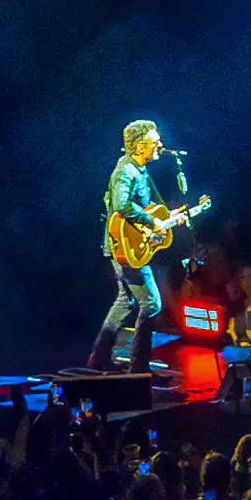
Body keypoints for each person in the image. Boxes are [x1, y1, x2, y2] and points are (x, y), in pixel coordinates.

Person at [87, 119, 169, 374]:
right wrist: (150, 221)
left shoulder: (140, 170)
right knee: (152, 303)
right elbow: (122, 205)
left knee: (126, 301)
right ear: (140, 146)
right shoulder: (125, 171)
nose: (160, 145)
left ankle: (98, 360)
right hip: (123, 247)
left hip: (128, 245)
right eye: (155, 141)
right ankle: (139, 366)